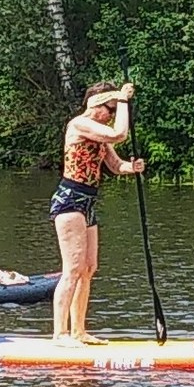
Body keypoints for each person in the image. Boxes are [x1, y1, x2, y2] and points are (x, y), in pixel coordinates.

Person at [49, 81, 144, 346]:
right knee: (73, 269)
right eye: (110, 109)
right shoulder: (79, 124)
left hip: (88, 202)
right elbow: (119, 135)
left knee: (89, 268)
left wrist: (131, 167)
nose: (111, 115)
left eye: (114, 111)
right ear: (95, 104)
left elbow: (114, 164)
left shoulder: (99, 132)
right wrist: (124, 101)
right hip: (70, 200)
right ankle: (60, 334)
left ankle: (79, 330)